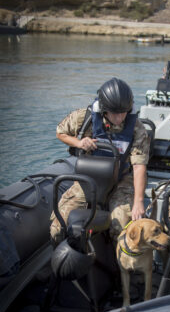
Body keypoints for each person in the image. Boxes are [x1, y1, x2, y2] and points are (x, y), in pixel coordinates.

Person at [50, 77, 150, 246]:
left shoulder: (136, 129)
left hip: (121, 180)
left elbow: (139, 167)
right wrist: (79, 143)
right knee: (58, 225)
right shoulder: (85, 117)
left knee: (122, 226)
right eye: (114, 113)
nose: (119, 118)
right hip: (89, 179)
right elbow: (60, 132)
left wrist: (139, 202)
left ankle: (118, 267)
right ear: (104, 110)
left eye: (123, 112)